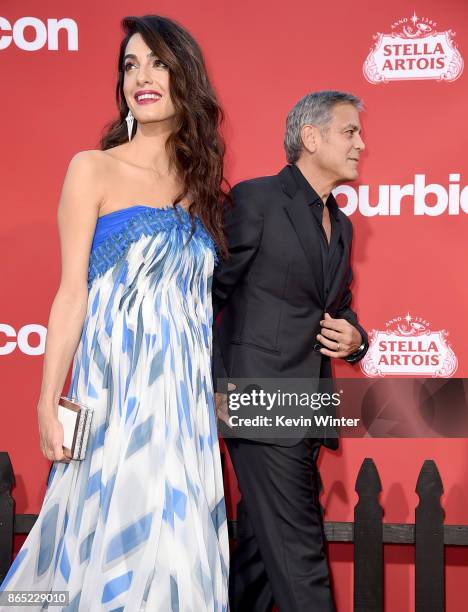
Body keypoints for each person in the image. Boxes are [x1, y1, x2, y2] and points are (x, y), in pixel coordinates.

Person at [0, 15, 229, 611]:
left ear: (186, 77)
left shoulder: (201, 187)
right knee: (107, 552)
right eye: (131, 64)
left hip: (182, 414)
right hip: (114, 402)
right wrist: (48, 402)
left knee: (180, 559)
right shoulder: (92, 168)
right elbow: (70, 293)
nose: (142, 77)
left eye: (157, 62)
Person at [213, 90, 369, 611]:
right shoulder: (256, 200)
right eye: (349, 132)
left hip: (305, 412)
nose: (360, 145)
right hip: (256, 403)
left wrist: (355, 338)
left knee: (260, 559)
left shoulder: (341, 224)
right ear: (311, 137)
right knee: (302, 559)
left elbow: (337, 306)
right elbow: (205, 292)